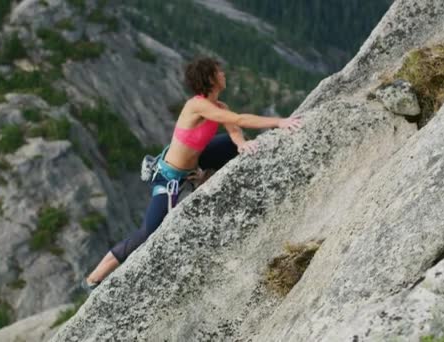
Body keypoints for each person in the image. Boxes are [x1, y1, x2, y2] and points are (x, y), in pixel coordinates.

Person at [82, 57, 302, 290]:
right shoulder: (196, 106)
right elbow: (239, 119)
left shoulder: (220, 107)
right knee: (149, 231)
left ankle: (204, 175)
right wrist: (280, 122)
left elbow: (234, 128)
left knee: (233, 144)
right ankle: (94, 277)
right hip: (170, 177)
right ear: (210, 79)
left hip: (195, 162)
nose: (224, 75)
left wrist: (240, 144)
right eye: (220, 72)